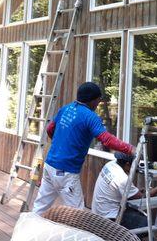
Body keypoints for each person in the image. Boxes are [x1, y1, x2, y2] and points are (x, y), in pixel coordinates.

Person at [33, 82, 135, 215]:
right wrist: (130, 149)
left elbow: (50, 129)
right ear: (93, 100)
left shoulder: (65, 109)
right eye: (98, 100)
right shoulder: (90, 117)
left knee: (40, 207)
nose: (99, 103)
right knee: (79, 216)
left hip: (50, 166)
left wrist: (61, 144)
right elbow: (107, 140)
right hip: (66, 172)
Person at [91, 152, 157, 230]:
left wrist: (137, 191)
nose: (135, 167)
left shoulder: (110, 164)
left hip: (97, 212)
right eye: (134, 165)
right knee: (146, 224)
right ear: (128, 164)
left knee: (135, 212)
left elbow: (117, 189)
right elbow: (142, 198)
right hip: (109, 218)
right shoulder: (122, 178)